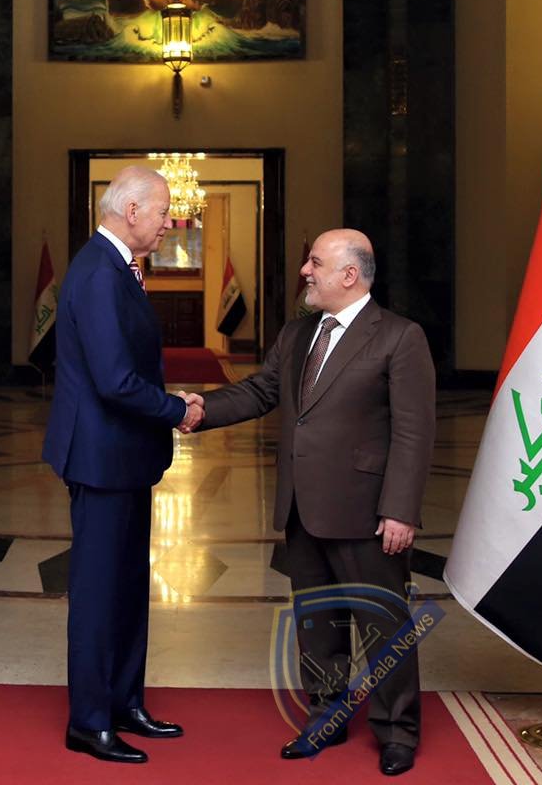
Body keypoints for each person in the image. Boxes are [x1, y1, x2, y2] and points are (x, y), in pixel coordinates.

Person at [187, 229, 435, 776]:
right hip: (303, 507)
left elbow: (414, 432)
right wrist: (200, 409)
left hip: (368, 512)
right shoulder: (298, 333)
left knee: (383, 625)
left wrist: (400, 509)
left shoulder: (400, 337)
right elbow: (260, 391)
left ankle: (398, 731)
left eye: (315, 263)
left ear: (350, 274)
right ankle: (326, 717)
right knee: (317, 625)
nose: (305, 271)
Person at [42, 166, 203, 765]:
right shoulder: (97, 272)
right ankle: (89, 722)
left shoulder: (119, 268)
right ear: (131, 211)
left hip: (125, 455)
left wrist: (166, 403)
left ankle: (124, 703)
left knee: (129, 588)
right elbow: (113, 380)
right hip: (100, 457)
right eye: (163, 212)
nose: (169, 222)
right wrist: (175, 409)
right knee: (98, 593)